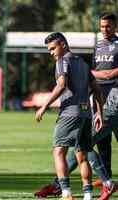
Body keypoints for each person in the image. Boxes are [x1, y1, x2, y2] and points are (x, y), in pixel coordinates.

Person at [35, 32, 103, 200]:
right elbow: (97, 89)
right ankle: (87, 195)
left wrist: (44, 106)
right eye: (49, 50)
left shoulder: (62, 61)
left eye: (53, 48)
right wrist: (99, 113)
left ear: (63, 45)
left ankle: (66, 192)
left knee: (58, 151)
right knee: (82, 153)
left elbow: (61, 85)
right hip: (86, 114)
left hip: (70, 113)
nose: (51, 53)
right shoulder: (83, 63)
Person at [90, 12, 118, 197]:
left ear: (115, 26)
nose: (104, 29)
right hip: (100, 96)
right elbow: (94, 71)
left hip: (115, 97)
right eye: (101, 26)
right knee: (102, 141)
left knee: (93, 136)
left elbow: (109, 74)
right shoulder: (97, 46)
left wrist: (95, 74)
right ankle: (106, 177)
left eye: (108, 26)